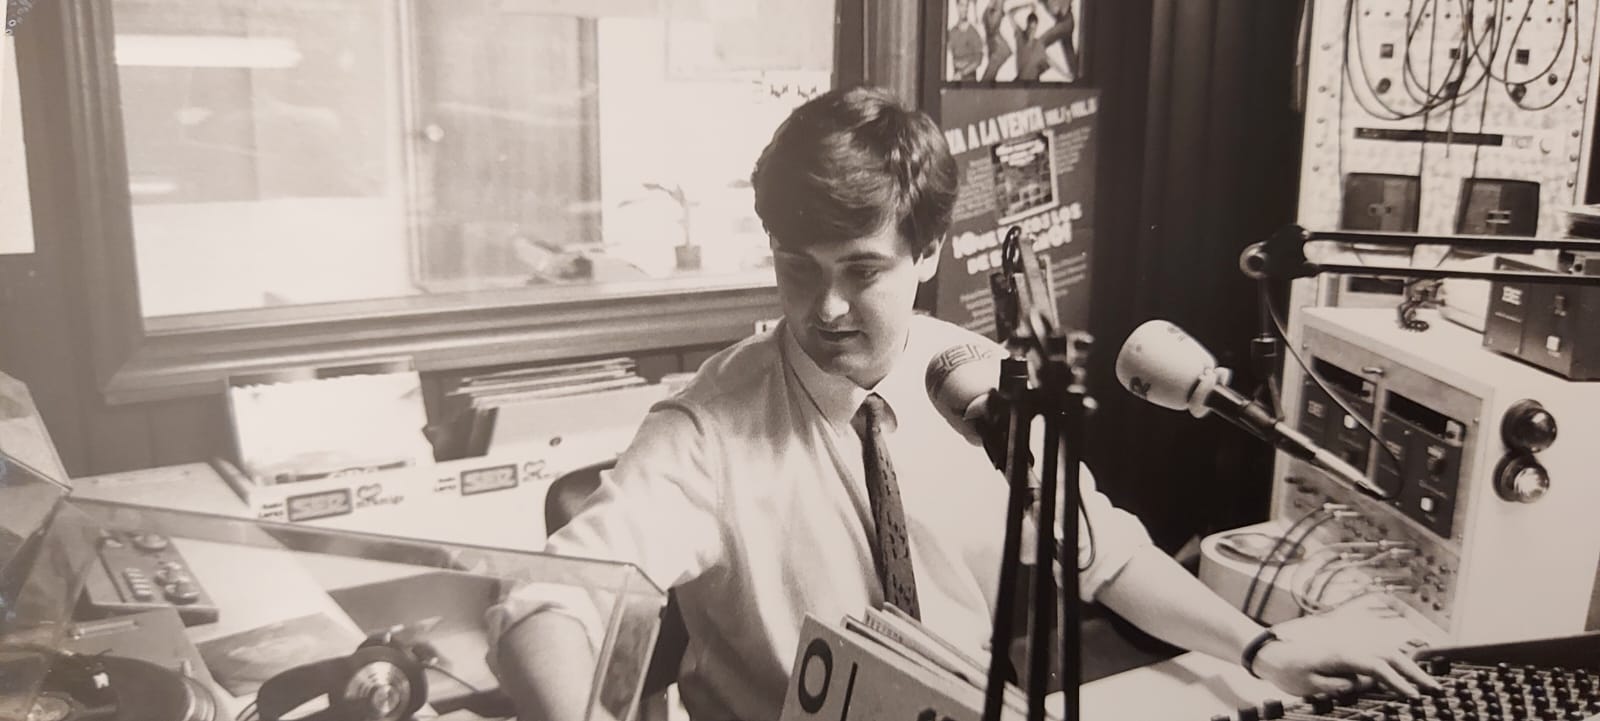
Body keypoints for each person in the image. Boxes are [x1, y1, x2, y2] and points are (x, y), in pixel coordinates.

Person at [486, 86, 1442, 721]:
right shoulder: (707, 427)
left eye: (862, 271)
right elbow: (548, 596)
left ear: (930, 252)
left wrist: (1262, 646)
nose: (823, 308)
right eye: (795, 269)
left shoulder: (976, 380)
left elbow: (1103, 557)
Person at [948, 1, 986, 81]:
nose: (965, 9)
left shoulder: (973, 32)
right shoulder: (952, 32)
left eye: (967, 6)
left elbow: (978, 60)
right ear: (957, 6)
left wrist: (962, 73)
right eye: (962, 6)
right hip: (954, 79)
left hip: (969, 81)